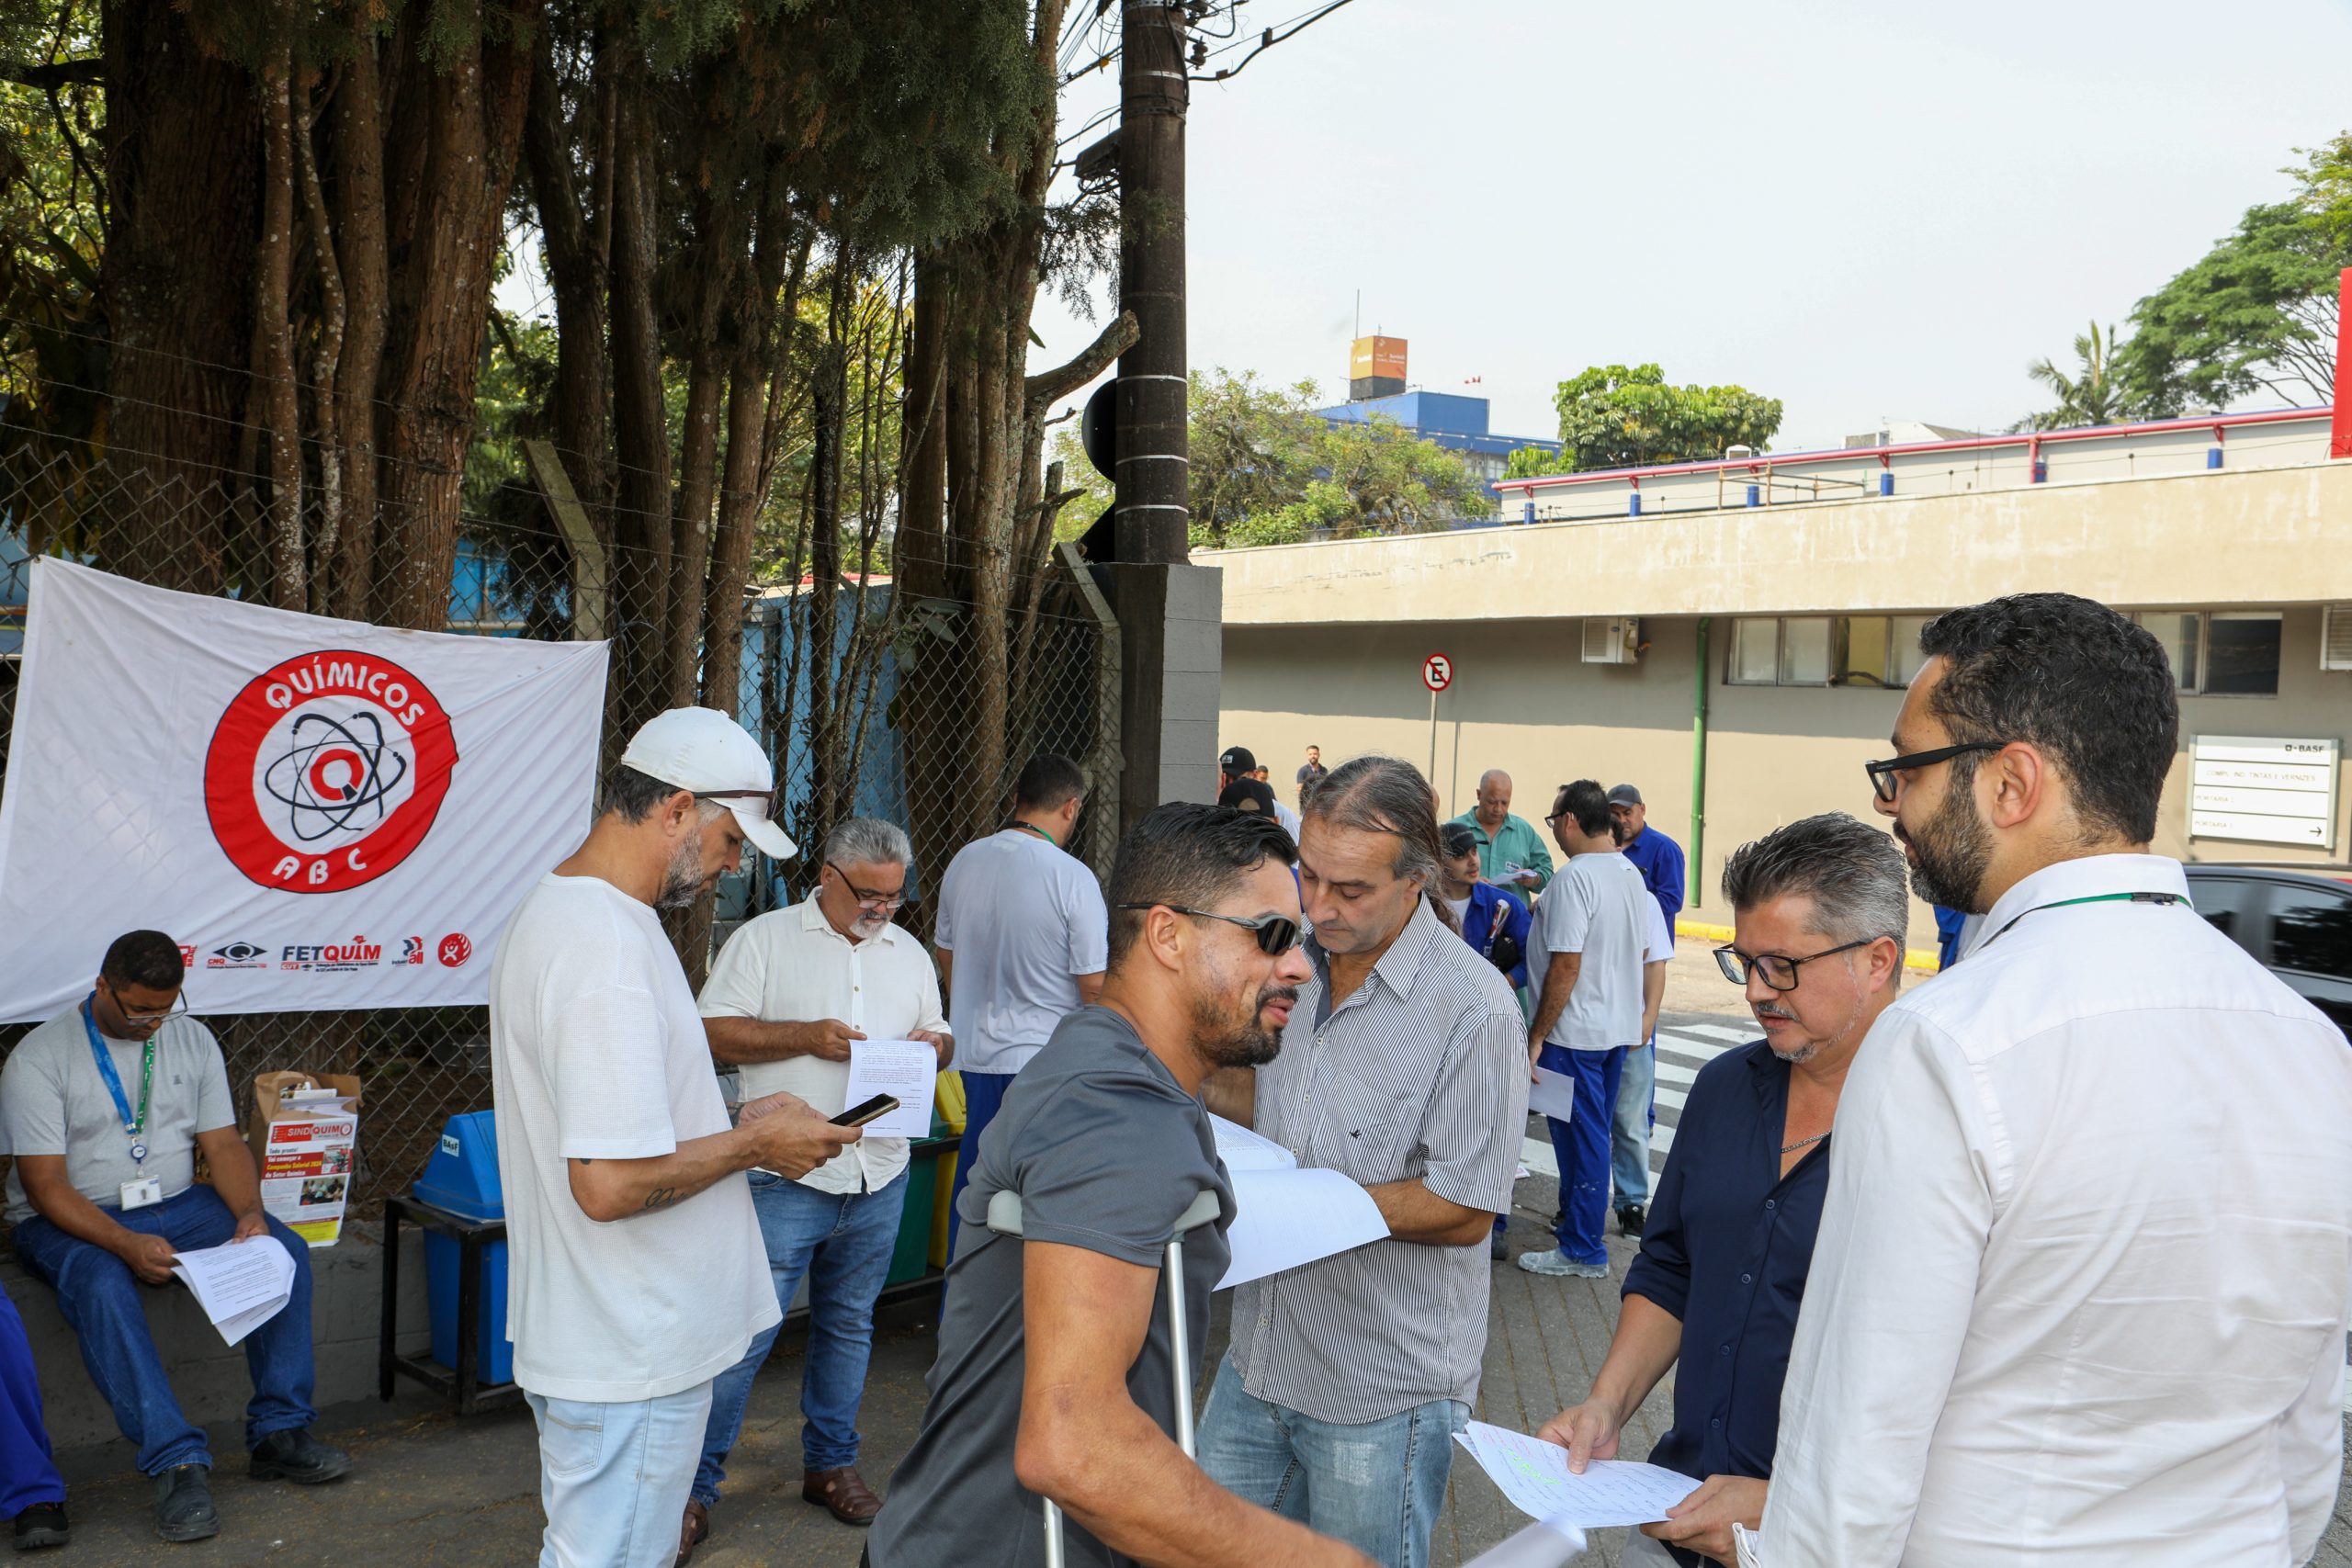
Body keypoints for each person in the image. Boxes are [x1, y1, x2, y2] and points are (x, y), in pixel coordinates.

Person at [1762, 593, 2352, 1566]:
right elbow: (2306, 1423)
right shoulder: (2311, 1048)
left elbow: (1854, 1447)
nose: (1886, 802)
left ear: (2010, 783)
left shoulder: (1944, 1041)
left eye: (1905, 767)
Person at [867, 804, 1375, 1568]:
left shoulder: (1107, 1060)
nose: (1300, 964)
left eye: (1299, 940)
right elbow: (1073, 1442)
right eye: (1271, 935)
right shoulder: (1119, 1109)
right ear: (1168, 935)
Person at [490, 706, 863, 1568]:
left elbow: (615, 1128)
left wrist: (736, 1122)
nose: (735, 863)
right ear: (677, 809)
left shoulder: (589, 918)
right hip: (633, 1343)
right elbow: (609, 1182)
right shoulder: (603, 947)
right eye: (732, 838)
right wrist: (756, 1148)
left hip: (620, 1337)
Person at [1539, 814, 1907, 1567]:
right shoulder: (1722, 1088)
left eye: (1784, 966)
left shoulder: (1934, 1124)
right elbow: (1672, 1266)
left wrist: (1790, 1504)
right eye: (1744, 962)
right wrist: (1608, 1403)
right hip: (1678, 1513)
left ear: (1878, 960)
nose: (1755, 992)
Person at [1198, 757, 1528, 1568]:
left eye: (1350, 889)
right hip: (1261, 1354)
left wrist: (1308, 1208)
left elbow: (1465, 1207)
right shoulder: (1290, 962)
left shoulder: (1475, 1009)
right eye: (1308, 875)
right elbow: (1264, 1108)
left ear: (1417, 880)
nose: (1318, 906)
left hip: (1380, 1390)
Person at [4, 931, 348, 1545]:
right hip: (68, 1218)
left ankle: (279, 1430)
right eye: (138, 1010)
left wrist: (249, 1213)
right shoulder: (39, 1056)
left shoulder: (188, 1037)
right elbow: (46, 1185)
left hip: (179, 1204)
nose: (151, 1024)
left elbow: (222, 1144)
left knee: (283, 1251)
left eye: (164, 1009)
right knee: (104, 1280)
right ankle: (175, 1462)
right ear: (102, 986)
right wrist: (122, 1242)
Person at [678, 818, 952, 1556]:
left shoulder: (908, 952)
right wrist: (805, 1036)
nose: (885, 909)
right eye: (871, 893)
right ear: (828, 875)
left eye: (896, 896)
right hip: (785, 1174)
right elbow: (708, 1032)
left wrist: (938, 1045)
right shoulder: (765, 939)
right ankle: (694, 1491)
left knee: (849, 1322)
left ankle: (830, 1464)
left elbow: (941, 1028)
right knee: (745, 1337)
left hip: (881, 1168)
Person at [933, 752, 1108, 1258]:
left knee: (974, 1192)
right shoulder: (1072, 877)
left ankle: (958, 1320)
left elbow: (946, 949)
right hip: (1043, 1067)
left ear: (1017, 799)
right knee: (1039, 1204)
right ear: (1071, 808)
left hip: (972, 1056)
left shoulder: (965, 860)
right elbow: (1093, 986)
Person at [1516, 780, 1654, 1280]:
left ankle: (1583, 1249)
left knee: (1583, 1140)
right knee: (1589, 1136)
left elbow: (1566, 965)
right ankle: (1578, 1227)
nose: (1554, 831)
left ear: (1570, 820)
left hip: (1574, 1034)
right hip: (1613, 1028)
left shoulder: (1576, 878)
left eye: (1554, 822)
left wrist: (1536, 1036)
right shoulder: (1627, 872)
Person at [1438, 819, 1533, 1262]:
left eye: (1474, 851)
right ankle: (1445, 1207)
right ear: (1439, 861)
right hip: (1436, 1030)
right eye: (1460, 854)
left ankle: (1497, 1221)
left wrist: (1500, 983)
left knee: (1495, 1121)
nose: (1473, 860)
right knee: (1446, 1125)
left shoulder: (1502, 905)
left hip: (1491, 1031)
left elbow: (1535, 962)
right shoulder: (1423, 906)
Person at [1611, 881, 1676, 1239]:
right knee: (1580, 1127)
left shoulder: (1643, 898)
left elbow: (1655, 964)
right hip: (1580, 1033)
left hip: (1628, 1033)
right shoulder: (1572, 886)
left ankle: (1631, 1203)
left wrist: (1648, 1019)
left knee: (1632, 1123)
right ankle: (1574, 1205)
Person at [1449, 769, 1552, 906]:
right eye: (1492, 802)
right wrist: (1468, 882)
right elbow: (1435, 874)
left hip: (1513, 921)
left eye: (1505, 803)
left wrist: (1535, 879)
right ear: (1479, 795)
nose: (1498, 809)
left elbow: (1548, 873)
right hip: (1465, 919)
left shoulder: (1523, 830)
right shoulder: (1453, 829)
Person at [1606, 784, 1686, 921]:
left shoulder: (1665, 848)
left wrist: (1622, 911)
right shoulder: (1604, 847)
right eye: (1615, 814)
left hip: (1650, 940)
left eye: (1627, 813)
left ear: (1642, 809)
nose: (1622, 820)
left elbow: (1671, 901)